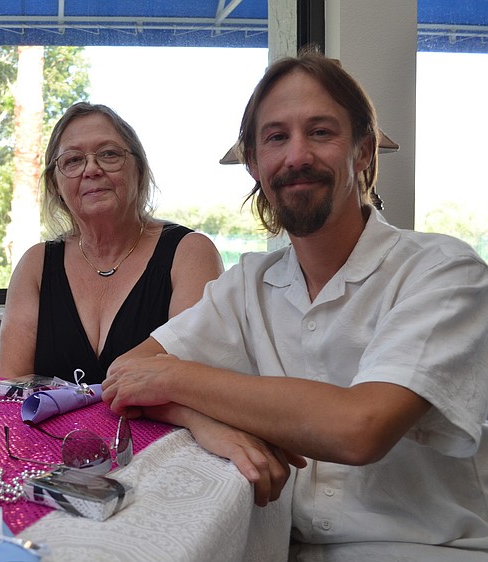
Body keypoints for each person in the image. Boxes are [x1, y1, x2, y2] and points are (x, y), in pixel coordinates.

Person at [102, 49, 488, 560]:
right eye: (276, 137)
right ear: (256, 165)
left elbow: (360, 429)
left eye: (321, 132)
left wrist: (173, 379)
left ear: (364, 152)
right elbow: (127, 372)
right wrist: (205, 423)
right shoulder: (249, 283)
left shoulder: (443, 271)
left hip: (426, 549)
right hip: (280, 547)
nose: (297, 155)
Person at [0, 102, 224, 386]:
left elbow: (193, 383)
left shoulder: (190, 253)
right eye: (73, 160)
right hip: (48, 433)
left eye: (109, 154)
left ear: (139, 170)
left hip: (165, 432)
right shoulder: (36, 265)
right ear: (56, 185)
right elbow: (12, 389)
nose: (91, 169)